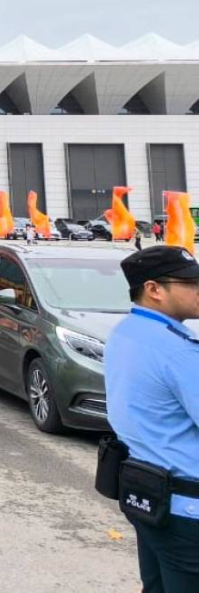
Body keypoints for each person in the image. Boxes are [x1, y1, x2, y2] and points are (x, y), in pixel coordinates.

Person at [104, 245, 199, 590]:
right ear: (154, 289)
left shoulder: (126, 332)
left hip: (146, 491)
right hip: (186, 510)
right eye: (191, 283)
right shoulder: (176, 349)